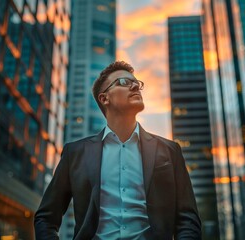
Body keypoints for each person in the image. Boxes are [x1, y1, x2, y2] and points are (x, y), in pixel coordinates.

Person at [34, 61, 201, 239]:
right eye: (124, 82)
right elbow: (46, 218)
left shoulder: (169, 151)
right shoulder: (75, 153)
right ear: (104, 98)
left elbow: (187, 219)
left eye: (138, 83)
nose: (136, 86)